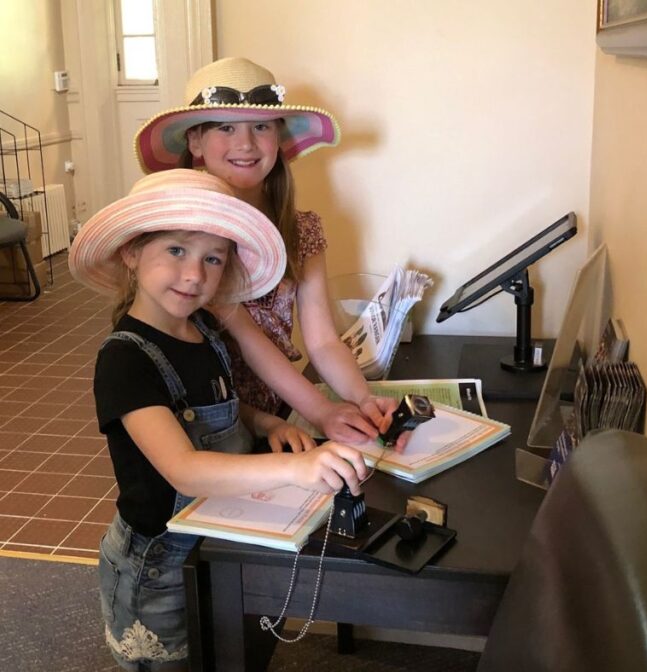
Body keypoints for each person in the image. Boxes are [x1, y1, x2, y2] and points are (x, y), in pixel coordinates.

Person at [69, 169, 370, 670]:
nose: (194, 275)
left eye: (213, 258)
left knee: (224, 650)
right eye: (176, 251)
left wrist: (264, 423)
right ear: (131, 253)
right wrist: (299, 469)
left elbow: (214, 402)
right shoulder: (125, 359)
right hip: (158, 565)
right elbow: (184, 468)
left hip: (215, 535)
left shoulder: (202, 328)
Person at [134, 57, 407, 450]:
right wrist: (321, 412)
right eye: (226, 127)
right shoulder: (196, 237)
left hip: (280, 408)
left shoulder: (302, 230)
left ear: (278, 138)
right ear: (195, 141)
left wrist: (362, 399)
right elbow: (246, 339)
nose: (245, 144)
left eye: (260, 126)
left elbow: (323, 341)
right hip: (205, 423)